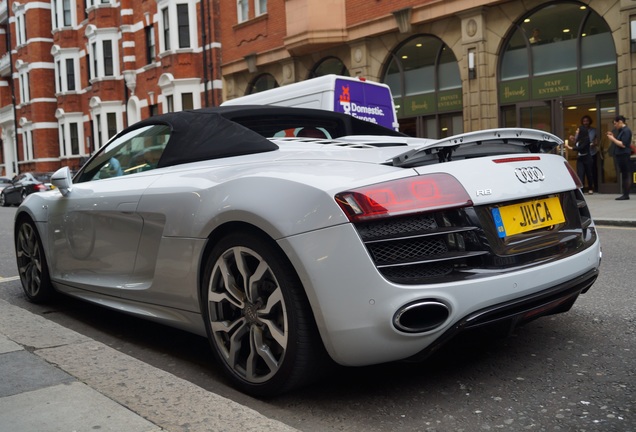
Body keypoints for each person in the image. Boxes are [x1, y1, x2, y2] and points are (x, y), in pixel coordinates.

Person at [606, 115, 633, 200]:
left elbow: (623, 144)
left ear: (620, 121)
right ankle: (625, 194)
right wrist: (613, 136)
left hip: (624, 155)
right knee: (624, 174)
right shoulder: (622, 131)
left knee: (626, 174)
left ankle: (626, 194)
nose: (615, 125)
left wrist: (612, 138)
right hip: (621, 155)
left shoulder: (626, 131)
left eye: (615, 123)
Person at [566, 122, 593, 194]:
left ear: (582, 131)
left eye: (577, 130)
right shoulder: (578, 138)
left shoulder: (587, 139)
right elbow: (577, 144)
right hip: (580, 158)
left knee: (588, 173)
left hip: (587, 157)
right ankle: (581, 189)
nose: (576, 131)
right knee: (580, 173)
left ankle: (590, 188)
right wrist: (573, 140)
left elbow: (581, 147)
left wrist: (571, 148)